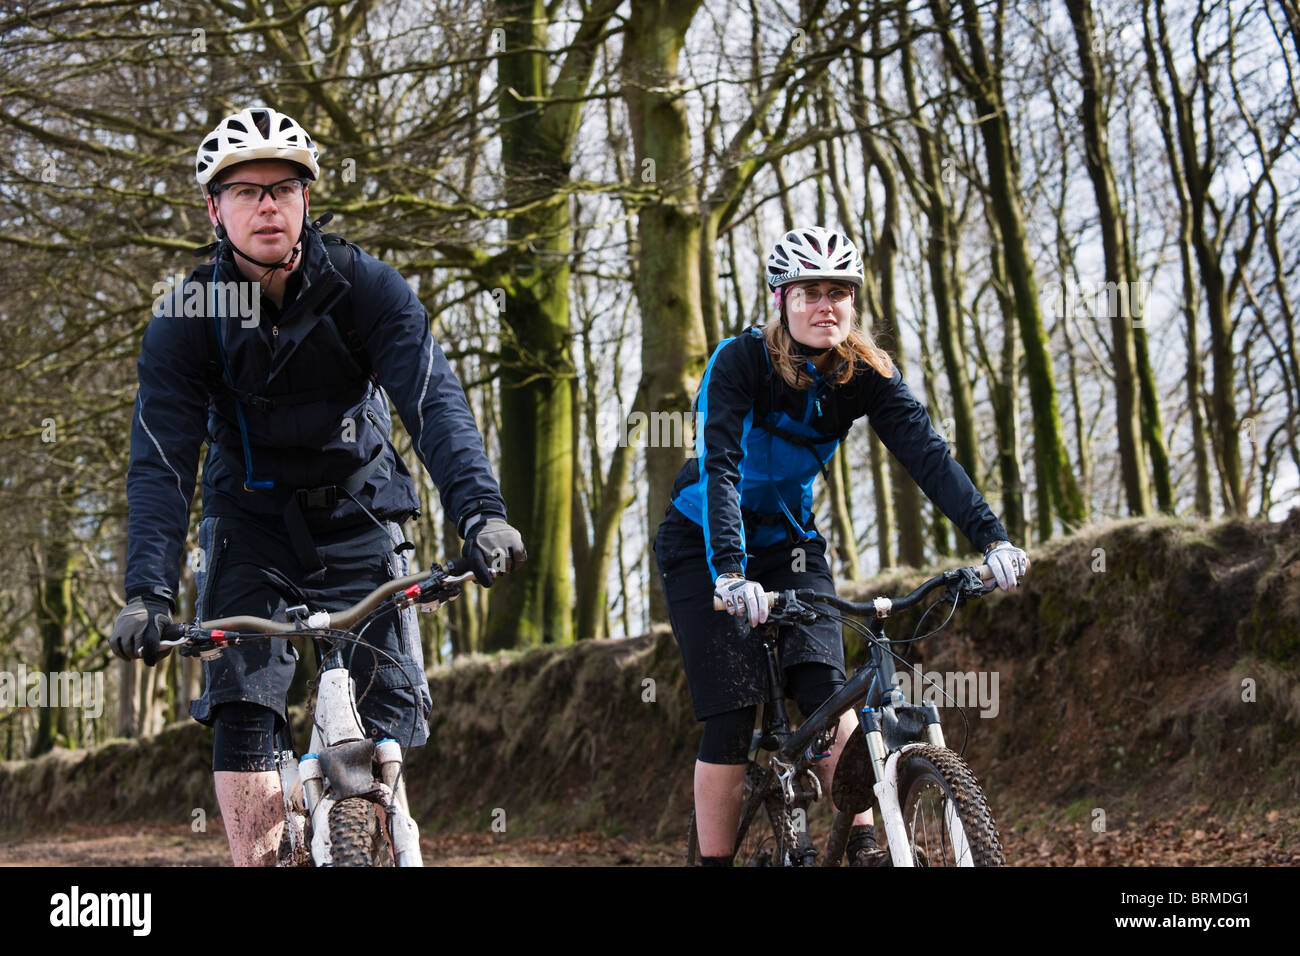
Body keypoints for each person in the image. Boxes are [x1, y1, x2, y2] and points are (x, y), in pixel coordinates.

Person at [108, 107, 526, 866]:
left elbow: (434, 405)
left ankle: (378, 833)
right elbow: (163, 461)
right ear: (214, 209)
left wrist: (482, 514)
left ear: (307, 200)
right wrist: (147, 594)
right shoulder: (188, 315)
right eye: (245, 191)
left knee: (387, 710)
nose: (267, 204)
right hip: (251, 531)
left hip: (362, 516)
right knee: (242, 710)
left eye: (283, 188)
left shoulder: (364, 286)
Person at [654, 225, 1028, 866]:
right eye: (809, 292)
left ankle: (858, 840)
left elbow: (928, 457)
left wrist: (992, 537)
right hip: (704, 544)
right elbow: (721, 466)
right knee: (732, 713)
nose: (826, 305)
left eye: (840, 292)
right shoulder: (740, 361)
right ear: (781, 300)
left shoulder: (866, 373)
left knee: (827, 690)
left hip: (791, 544)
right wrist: (730, 573)